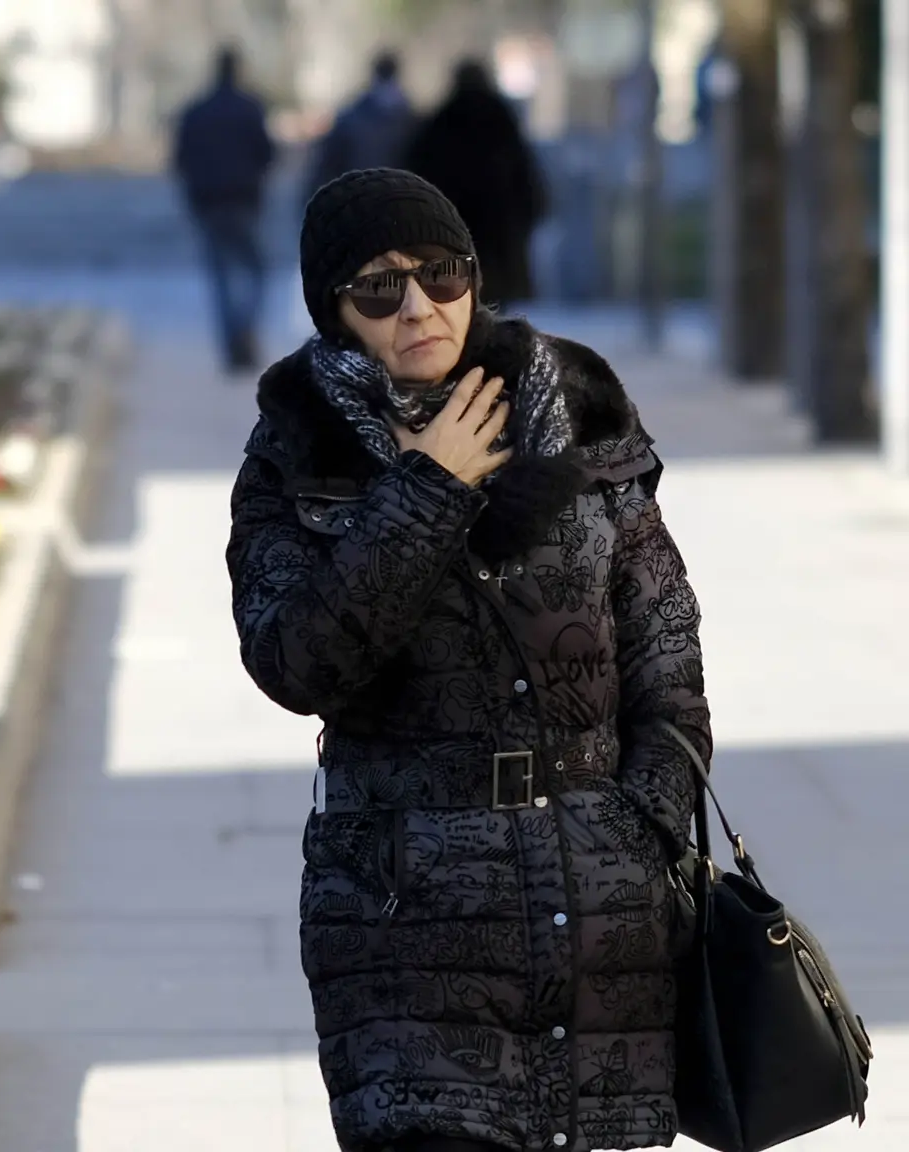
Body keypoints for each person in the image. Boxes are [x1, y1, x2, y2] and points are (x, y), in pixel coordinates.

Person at [226, 168, 707, 1152]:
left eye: (441, 274)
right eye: (379, 288)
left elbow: (666, 651)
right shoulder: (298, 451)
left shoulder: (581, 411)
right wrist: (427, 487)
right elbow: (295, 662)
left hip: (599, 915)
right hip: (404, 923)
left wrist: (641, 830)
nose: (419, 308)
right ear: (333, 310)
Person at [402, 59, 548, 308]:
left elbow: (419, 170)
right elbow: (523, 173)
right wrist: (530, 212)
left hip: (453, 224)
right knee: (497, 298)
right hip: (498, 227)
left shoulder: (442, 121)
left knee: (457, 292)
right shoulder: (501, 120)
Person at [171, 46, 278, 374]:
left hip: (209, 202)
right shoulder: (250, 109)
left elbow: (181, 159)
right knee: (256, 272)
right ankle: (243, 330)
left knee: (221, 276)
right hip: (243, 200)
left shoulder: (196, 111)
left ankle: (233, 340)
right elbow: (267, 154)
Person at [307, 52, 415, 197]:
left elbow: (328, 165)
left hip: (359, 198)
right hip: (399, 200)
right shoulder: (411, 120)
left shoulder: (351, 116)